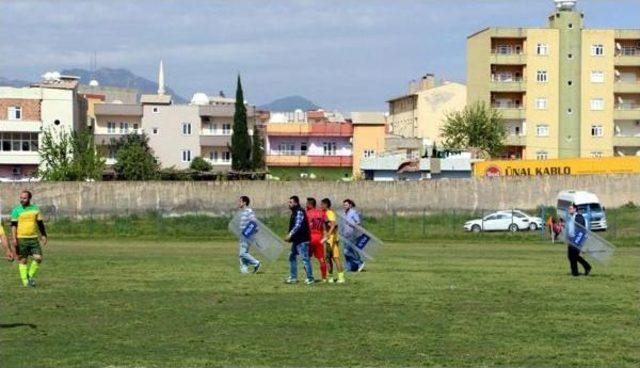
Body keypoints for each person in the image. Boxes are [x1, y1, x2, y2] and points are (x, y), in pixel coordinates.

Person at [11, 190, 48, 287]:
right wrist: (14, 238)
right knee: (23, 260)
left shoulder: (35, 209)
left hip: (33, 239)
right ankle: (25, 282)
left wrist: (44, 235)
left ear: (29, 199)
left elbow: (40, 223)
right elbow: (13, 226)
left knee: (38, 258)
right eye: (21, 198)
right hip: (21, 239)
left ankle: (29, 275)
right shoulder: (16, 210)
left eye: (24, 198)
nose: (22, 200)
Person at [285, 196, 314, 285]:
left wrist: (290, 234)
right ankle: (293, 277)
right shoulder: (294, 212)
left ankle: (310, 278)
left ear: (296, 203)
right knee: (292, 257)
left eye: (290, 202)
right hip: (297, 240)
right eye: (289, 202)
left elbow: (298, 225)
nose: (289, 204)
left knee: (305, 259)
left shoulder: (299, 211)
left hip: (302, 240)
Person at [321, 198, 345, 284]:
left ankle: (340, 278)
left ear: (326, 205)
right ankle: (331, 278)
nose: (321, 206)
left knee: (334, 258)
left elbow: (333, 224)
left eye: (322, 204)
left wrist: (328, 235)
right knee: (329, 259)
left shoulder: (329, 213)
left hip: (331, 239)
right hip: (330, 239)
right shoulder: (326, 213)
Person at [565, 203, 592, 277]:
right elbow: (571, 229)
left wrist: (578, 241)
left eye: (570, 208)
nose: (569, 210)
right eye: (569, 209)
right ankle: (577, 271)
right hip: (571, 240)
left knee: (574, 256)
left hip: (577, 240)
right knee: (571, 256)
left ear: (575, 209)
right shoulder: (571, 217)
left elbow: (581, 229)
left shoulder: (578, 217)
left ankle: (584, 268)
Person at [306, 197, 328, 282]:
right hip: (319, 238)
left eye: (307, 204)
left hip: (310, 237)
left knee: (307, 258)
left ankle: (309, 277)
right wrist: (326, 236)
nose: (306, 205)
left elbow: (305, 227)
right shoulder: (322, 213)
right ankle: (324, 278)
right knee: (321, 258)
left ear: (310, 204)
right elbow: (327, 224)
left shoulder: (307, 213)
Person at [237, 196, 261, 274]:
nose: (238, 203)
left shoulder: (248, 211)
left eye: (240, 201)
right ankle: (244, 270)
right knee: (243, 253)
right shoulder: (243, 212)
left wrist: (254, 231)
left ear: (244, 202)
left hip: (247, 236)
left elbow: (253, 221)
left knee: (242, 253)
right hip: (242, 235)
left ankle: (256, 263)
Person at [342, 199, 365, 272]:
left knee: (346, 251)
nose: (344, 206)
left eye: (346, 205)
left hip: (352, 235)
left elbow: (358, 223)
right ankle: (350, 268)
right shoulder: (344, 213)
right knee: (346, 253)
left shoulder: (353, 212)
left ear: (350, 205)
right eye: (344, 205)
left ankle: (359, 262)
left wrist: (351, 224)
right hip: (345, 235)